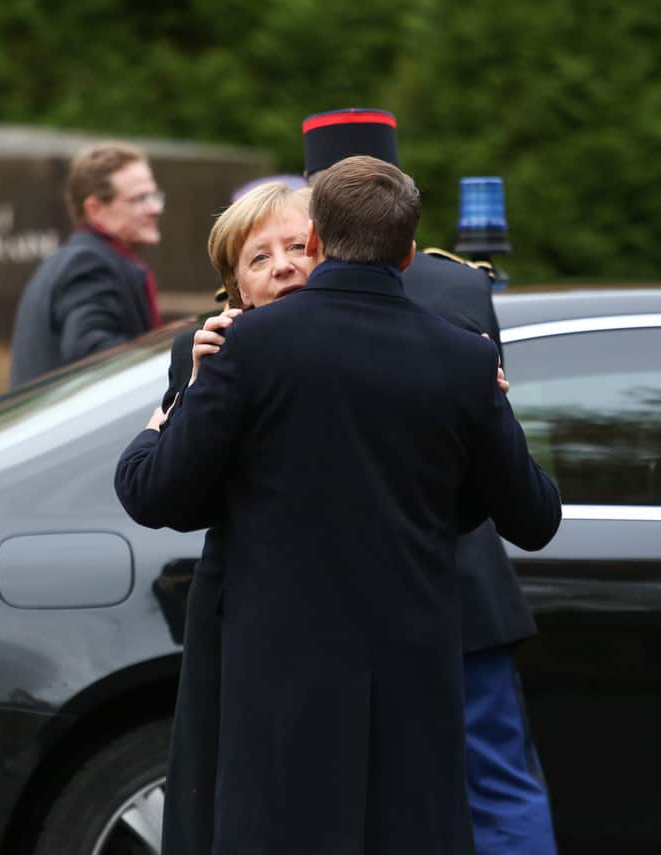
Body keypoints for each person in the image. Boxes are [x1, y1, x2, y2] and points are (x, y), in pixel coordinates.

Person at [116, 155, 561, 855]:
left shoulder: (243, 349)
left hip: (278, 670)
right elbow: (534, 517)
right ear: (410, 254)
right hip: (412, 671)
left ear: (317, 242)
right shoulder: (462, 361)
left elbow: (152, 491)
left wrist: (161, 418)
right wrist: (488, 421)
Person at [301, 107, 560, 855]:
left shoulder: (293, 296)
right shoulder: (458, 287)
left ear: (313, 207)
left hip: (341, 593)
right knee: (497, 785)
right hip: (463, 574)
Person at [158, 181, 313, 855]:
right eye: (259, 257)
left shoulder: (393, 341)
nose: (282, 264)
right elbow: (173, 494)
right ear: (237, 288)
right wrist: (197, 394)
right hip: (250, 621)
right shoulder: (210, 354)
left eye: (298, 246)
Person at [8, 141, 165, 387]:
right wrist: (170, 352)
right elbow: (91, 353)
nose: (155, 208)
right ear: (95, 209)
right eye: (139, 199)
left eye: (154, 195)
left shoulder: (84, 258)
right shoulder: (86, 263)